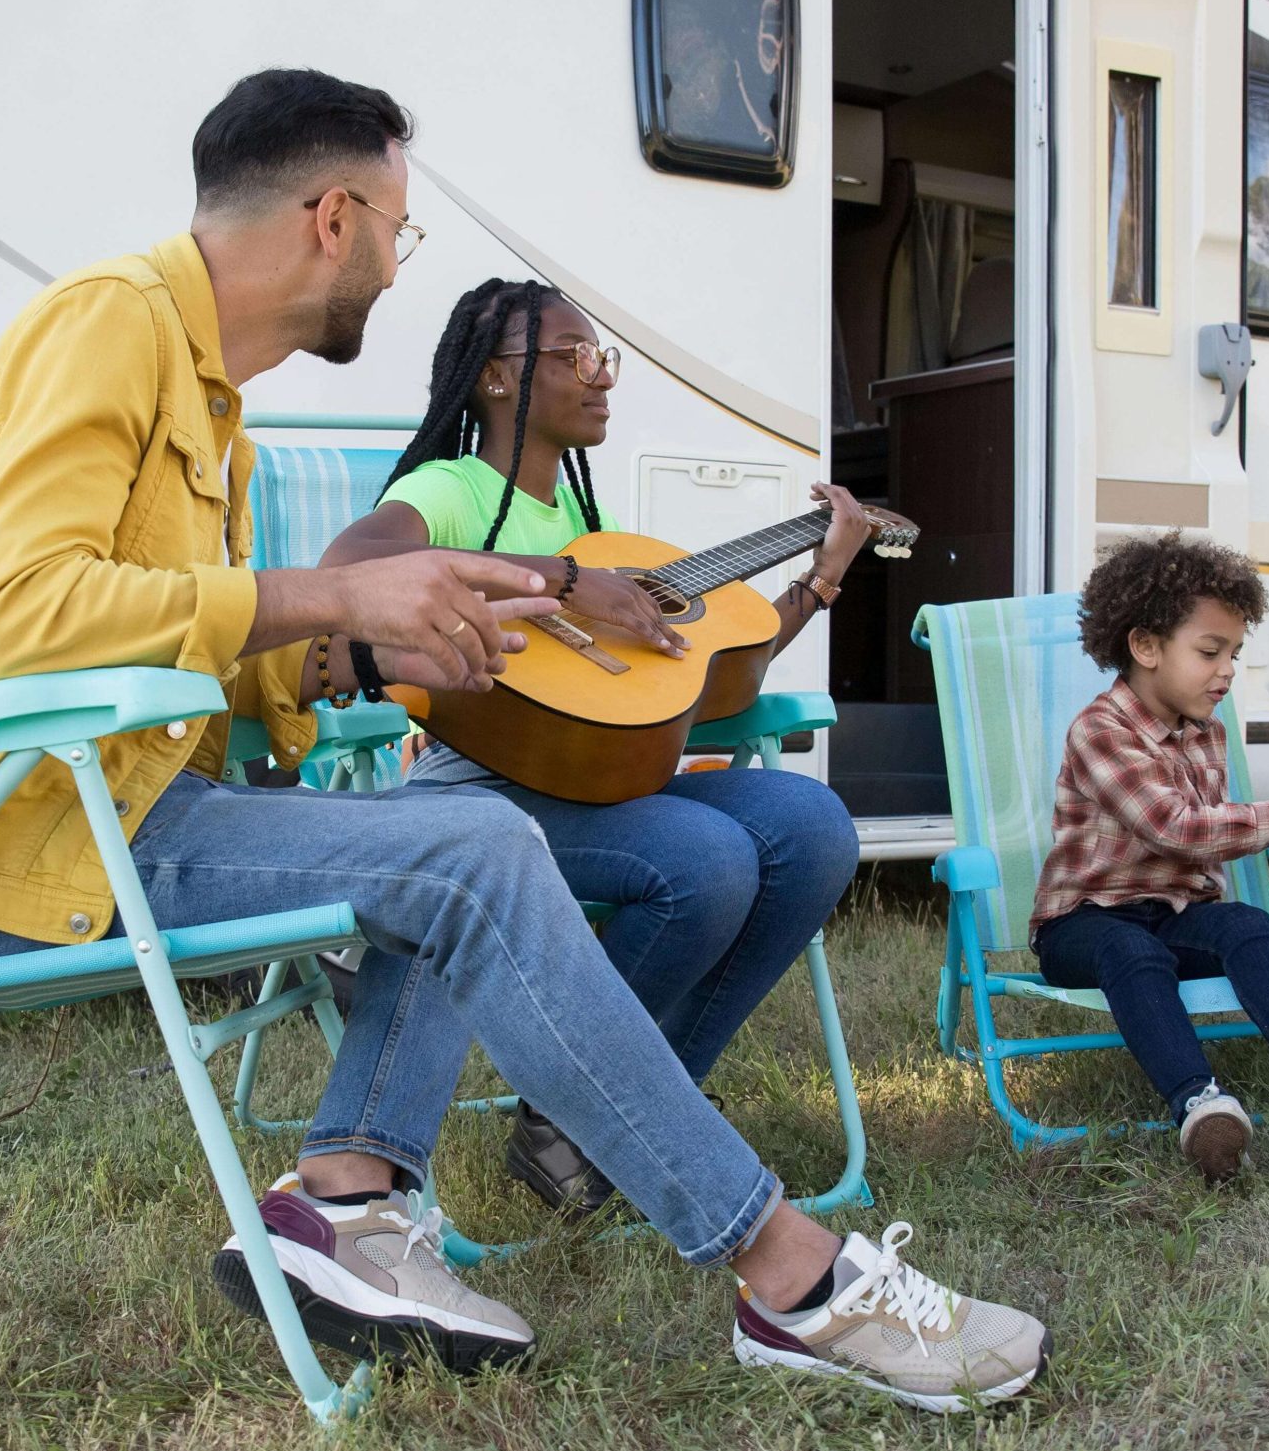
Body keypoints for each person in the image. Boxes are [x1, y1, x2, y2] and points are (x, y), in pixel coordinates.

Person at [0, 66, 1045, 1410]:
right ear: (332, 216)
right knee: (473, 840)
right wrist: (334, 594)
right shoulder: (109, 324)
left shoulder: (209, 404)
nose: (394, 263)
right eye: (397, 231)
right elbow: (26, 619)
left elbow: (174, 646)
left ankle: (348, 1205)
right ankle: (792, 1275)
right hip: (16, 851)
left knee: (464, 834)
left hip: (123, 809)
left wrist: (367, 650)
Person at [311, 277, 866, 1217]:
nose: (601, 378)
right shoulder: (450, 490)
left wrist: (821, 578)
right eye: (576, 358)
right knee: (708, 859)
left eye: (602, 358)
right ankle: (597, 1112)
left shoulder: (591, 526)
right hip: (476, 787)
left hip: (593, 785)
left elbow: (715, 667)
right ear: (495, 378)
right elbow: (347, 570)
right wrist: (568, 581)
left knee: (812, 826)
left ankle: (593, 1119)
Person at [1030, 533, 1269, 1182]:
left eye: (1235, 654)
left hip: (1176, 911)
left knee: (1248, 925)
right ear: (1146, 646)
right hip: (1083, 923)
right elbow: (1176, 829)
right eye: (1210, 651)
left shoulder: (1209, 730)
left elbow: (1198, 852)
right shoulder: (1101, 729)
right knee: (1133, 952)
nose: (1227, 671)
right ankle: (1200, 1102)